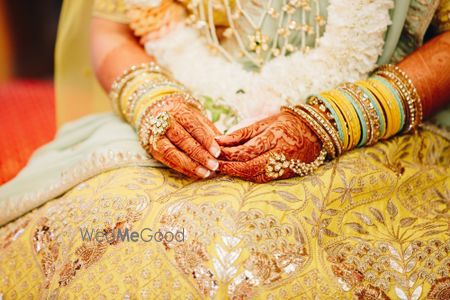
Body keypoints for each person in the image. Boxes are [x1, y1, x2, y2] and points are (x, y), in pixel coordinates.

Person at [0, 0, 449, 298]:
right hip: (188, 103)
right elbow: (112, 30)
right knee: (105, 239)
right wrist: (155, 102)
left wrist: (343, 116)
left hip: (383, 125)